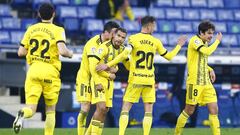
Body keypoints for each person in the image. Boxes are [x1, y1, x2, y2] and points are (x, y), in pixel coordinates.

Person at [96, 15, 187, 135]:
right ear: (149, 26)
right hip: (149, 81)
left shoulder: (133, 39)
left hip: (135, 79)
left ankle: (121, 134)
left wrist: (108, 65)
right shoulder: (156, 41)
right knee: (148, 112)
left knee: (125, 109)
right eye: (153, 26)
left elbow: (124, 54)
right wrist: (179, 46)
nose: (154, 28)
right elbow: (169, 57)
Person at [12, 3, 73, 135]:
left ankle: (23, 113)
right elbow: (62, 51)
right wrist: (71, 54)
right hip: (50, 71)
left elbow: (21, 52)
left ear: (39, 14)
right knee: (50, 110)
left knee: (31, 108)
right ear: (54, 14)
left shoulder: (31, 29)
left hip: (33, 70)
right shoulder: (58, 30)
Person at [174, 21, 222, 135]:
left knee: (214, 110)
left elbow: (201, 61)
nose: (211, 36)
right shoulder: (194, 41)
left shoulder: (205, 42)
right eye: (209, 33)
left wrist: (210, 69)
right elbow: (207, 52)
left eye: (213, 33)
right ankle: (177, 133)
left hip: (206, 83)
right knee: (189, 110)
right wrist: (217, 41)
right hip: (194, 83)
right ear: (201, 32)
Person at [75, 21, 120, 135]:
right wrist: (109, 74)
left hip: (99, 78)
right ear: (105, 32)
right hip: (86, 78)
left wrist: (113, 69)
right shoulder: (93, 44)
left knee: (103, 109)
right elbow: (93, 67)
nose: (115, 37)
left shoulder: (111, 45)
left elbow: (114, 65)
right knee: (85, 109)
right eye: (113, 34)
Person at [87, 27, 128, 135]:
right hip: (99, 79)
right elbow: (92, 65)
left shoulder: (122, 49)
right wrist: (97, 82)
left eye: (123, 37)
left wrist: (115, 69)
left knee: (105, 111)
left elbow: (121, 65)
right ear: (114, 35)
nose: (120, 39)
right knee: (101, 107)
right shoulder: (104, 47)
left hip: (110, 82)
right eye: (119, 36)